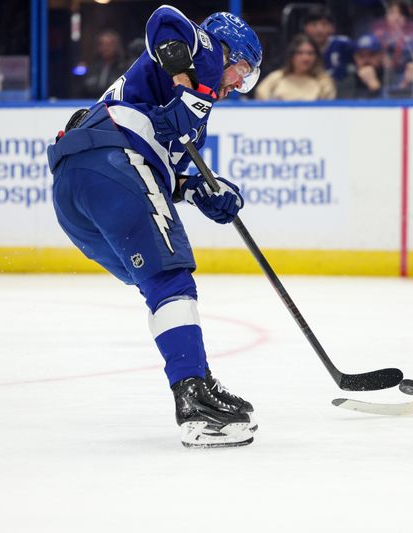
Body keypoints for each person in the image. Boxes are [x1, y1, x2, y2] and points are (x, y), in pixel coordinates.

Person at [47, 7, 263, 448]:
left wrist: (209, 191)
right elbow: (165, 19)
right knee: (170, 278)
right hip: (112, 161)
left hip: (75, 186)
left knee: (152, 281)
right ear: (227, 52)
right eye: (241, 70)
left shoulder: (193, 116)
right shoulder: (203, 55)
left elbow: (170, 175)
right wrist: (184, 69)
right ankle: (193, 401)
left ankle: (197, 376)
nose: (239, 84)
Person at [255, 34, 336, 101]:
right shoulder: (277, 77)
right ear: (291, 56)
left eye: (310, 53)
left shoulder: (324, 81)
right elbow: (261, 96)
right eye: (300, 53)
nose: (305, 58)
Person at [301, 5, 354, 81]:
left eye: (324, 24)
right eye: (314, 24)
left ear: (332, 28)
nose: (319, 30)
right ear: (305, 28)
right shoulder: (300, 49)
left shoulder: (343, 44)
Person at [77, 30, 129, 99]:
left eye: (109, 44)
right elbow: (79, 92)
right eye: (102, 44)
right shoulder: (91, 68)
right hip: (90, 105)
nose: (106, 48)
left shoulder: (125, 69)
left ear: (117, 46)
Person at [337, 34, 388, 99]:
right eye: (361, 56)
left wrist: (374, 86)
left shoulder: (389, 76)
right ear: (355, 58)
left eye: (371, 55)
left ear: (381, 56)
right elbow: (343, 106)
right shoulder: (346, 80)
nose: (366, 60)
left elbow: (396, 105)